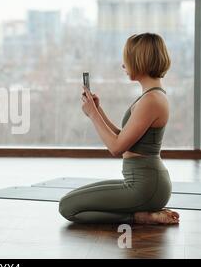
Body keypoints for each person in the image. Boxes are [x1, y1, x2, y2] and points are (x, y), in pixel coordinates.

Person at [59, 33, 180, 225]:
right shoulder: (151, 96)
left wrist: (93, 115)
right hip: (142, 183)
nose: (123, 66)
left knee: (67, 207)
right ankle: (141, 213)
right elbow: (124, 138)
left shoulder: (151, 100)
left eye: (127, 60)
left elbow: (116, 148)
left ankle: (138, 217)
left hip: (145, 187)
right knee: (72, 198)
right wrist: (98, 111)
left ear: (141, 61)